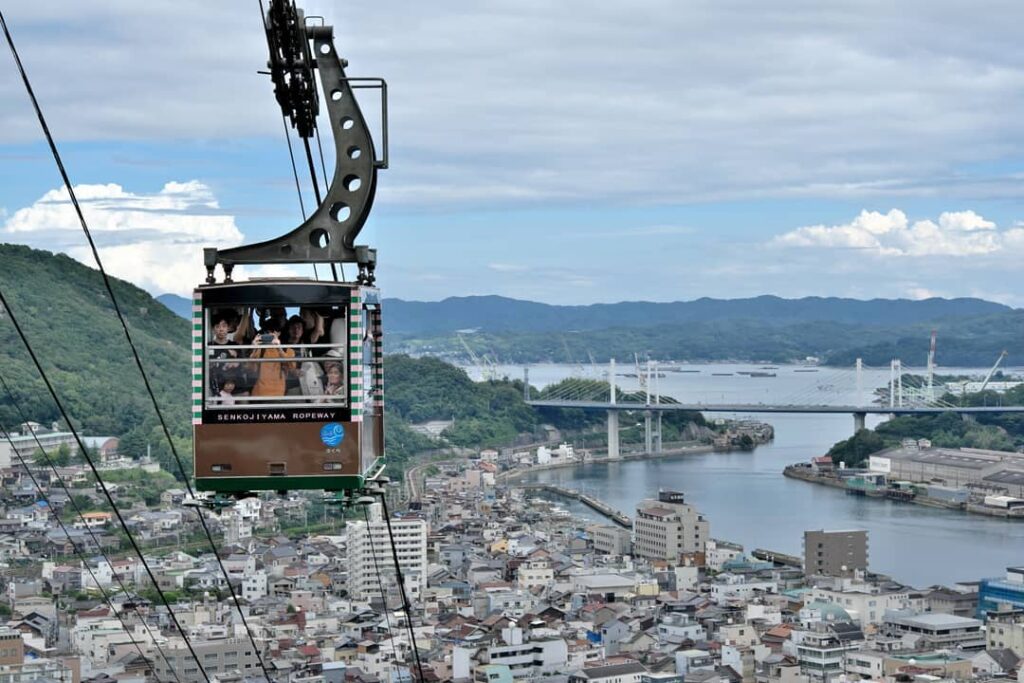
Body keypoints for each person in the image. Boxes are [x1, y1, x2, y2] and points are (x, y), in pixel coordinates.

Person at [250, 318, 296, 397]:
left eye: (273, 332)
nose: (270, 335)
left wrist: (279, 348)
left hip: (278, 394)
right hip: (259, 394)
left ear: (279, 333)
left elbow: (292, 368)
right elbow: (250, 369)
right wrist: (254, 349)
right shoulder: (260, 349)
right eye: (268, 332)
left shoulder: (288, 350)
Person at [208, 311, 239, 396]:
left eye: (224, 326)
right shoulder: (209, 346)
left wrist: (235, 359)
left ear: (228, 328)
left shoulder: (235, 346)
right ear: (213, 329)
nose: (221, 329)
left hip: (231, 385)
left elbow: (240, 365)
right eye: (217, 326)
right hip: (214, 386)